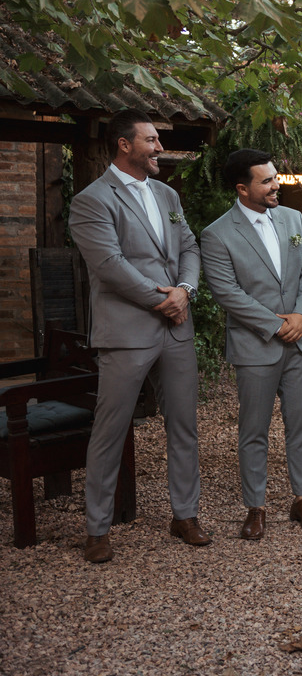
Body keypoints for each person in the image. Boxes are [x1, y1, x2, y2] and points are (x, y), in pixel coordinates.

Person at [69, 109, 208, 563]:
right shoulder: (92, 200)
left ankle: (185, 515)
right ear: (124, 144)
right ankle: (97, 529)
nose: (159, 148)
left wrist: (184, 291)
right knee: (110, 430)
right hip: (127, 331)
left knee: (184, 425)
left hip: (176, 327)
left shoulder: (167, 194)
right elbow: (109, 265)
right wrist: (160, 300)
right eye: (151, 140)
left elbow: (189, 247)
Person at [200, 149, 302, 540]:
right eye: (267, 180)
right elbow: (227, 293)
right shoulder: (217, 234)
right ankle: (256, 507)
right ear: (242, 188)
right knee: (254, 430)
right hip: (255, 346)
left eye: (275, 177)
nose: (276, 186)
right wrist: (275, 325)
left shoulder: (293, 219)